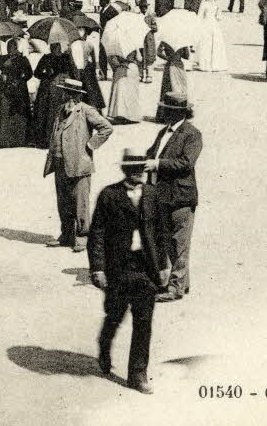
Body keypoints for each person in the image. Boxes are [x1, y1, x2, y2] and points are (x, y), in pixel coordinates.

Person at [88, 151, 169, 395]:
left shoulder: (153, 195)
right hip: (118, 268)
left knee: (143, 323)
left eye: (141, 169)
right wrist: (98, 268)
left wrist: (164, 265)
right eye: (133, 169)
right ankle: (104, 346)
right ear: (125, 171)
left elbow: (162, 233)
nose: (138, 173)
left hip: (146, 268)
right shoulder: (109, 195)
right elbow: (97, 234)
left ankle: (137, 374)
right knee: (114, 314)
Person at [46, 78, 114, 253]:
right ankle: (66, 234)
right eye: (65, 92)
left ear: (77, 96)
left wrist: (90, 145)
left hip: (79, 164)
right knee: (63, 201)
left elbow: (106, 127)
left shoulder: (85, 110)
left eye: (71, 93)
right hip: (59, 162)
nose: (67, 96)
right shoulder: (60, 110)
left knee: (80, 202)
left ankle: (82, 237)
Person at [144, 100, 201, 302]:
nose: (163, 112)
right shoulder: (164, 131)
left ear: (180, 112)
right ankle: (181, 284)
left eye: (167, 110)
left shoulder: (192, 134)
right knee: (169, 242)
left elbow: (186, 162)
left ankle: (175, 288)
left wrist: (158, 164)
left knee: (180, 242)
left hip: (181, 197)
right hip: (163, 195)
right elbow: (152, 153)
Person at [0, 39, 33, 147]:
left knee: (17, 115)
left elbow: (29, 73)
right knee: (3, 114)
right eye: (8, 47)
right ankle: (2, 140)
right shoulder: (2, 58)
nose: (9, 49)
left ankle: (17, 140)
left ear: (16, 48)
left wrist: (20, 80)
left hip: (18, 91)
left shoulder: (22, 59)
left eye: (11, 47)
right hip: (3, 89)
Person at [30, 41, 75, 148]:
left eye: (58, 47)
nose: (56, 49)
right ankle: (45, 140)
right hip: (47, 90)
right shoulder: (46, 58)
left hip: (62, 91)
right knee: (45, 114)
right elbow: (37, 73)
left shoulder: (66, 58)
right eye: (54, 47)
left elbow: (73, 73)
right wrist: (47, 74)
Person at [193, 0, 228, 71]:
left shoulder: (204, 4)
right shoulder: (216, 4)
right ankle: (216, 64)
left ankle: (205, 64)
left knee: (206, 44)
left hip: (206, 23)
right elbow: (219, 17)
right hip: (214, 24)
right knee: (215, 44)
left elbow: (199, 16)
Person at [106, 48, 143, 124]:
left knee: (119, 93)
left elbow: (111, 60)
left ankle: (119, 114)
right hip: (132, 68)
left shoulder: (115, 46)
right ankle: (132, 116)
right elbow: (139, 59)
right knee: (131, 93)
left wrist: (117, 67)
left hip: (121, 68)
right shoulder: (133, 45)